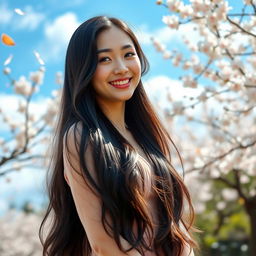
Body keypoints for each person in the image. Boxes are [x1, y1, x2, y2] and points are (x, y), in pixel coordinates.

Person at [39, 16, 198, 256]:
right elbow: (103, 244)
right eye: (104, 59)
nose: (121, 68)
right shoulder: (81, 136)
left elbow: (174, 226)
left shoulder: (148, 136)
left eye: (128, 54)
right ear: (84, 70)